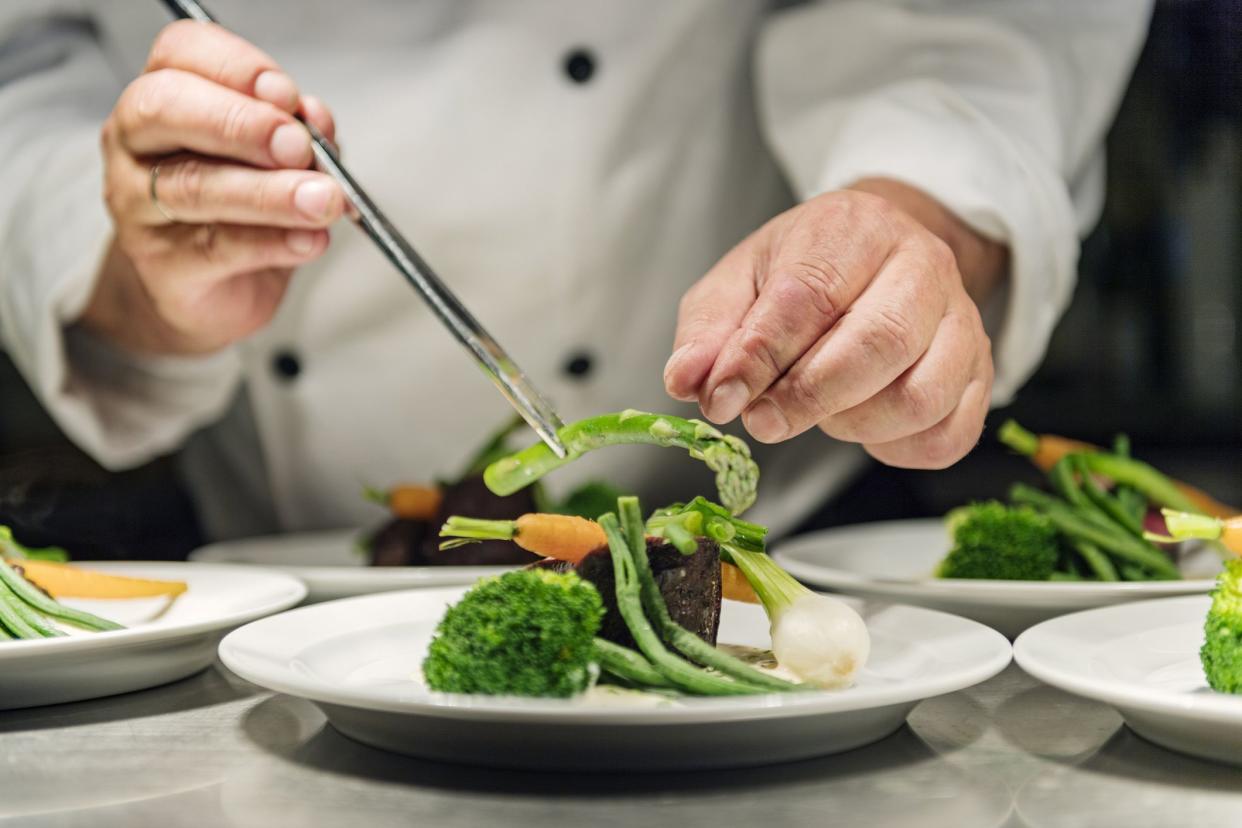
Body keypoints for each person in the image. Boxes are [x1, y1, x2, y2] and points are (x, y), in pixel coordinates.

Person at [0, 1, 1150, 541]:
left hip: (796, 548)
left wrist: (909, 205)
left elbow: (982, 18)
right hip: (272, 563)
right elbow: (21, 67)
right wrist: (138, 273)